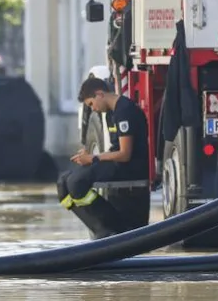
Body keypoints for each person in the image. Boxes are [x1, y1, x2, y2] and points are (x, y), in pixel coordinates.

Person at [57, 76, 149, 237]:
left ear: (99, 94)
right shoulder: (111, 114)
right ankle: (99, 227)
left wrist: (94, 159)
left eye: (91, 104)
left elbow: (125, 154)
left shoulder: (124, 111)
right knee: (63, 182)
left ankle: (111, 228)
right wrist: (91, 158)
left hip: (130, 166)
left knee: (77, 183)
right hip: (117, 162)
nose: (93, 109)